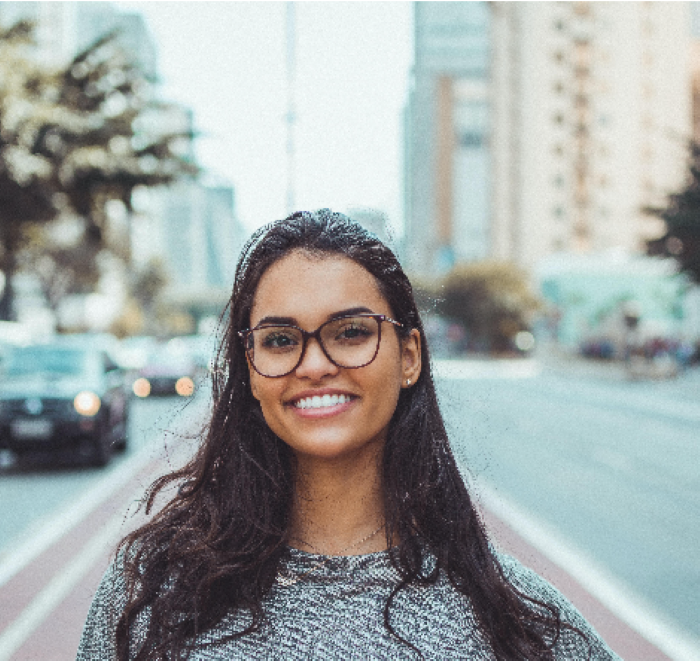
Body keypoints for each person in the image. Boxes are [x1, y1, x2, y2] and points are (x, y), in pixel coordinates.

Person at [78, 209, 619, 660]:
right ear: (249, 368)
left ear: (409, 356)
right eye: (281, 340)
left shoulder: (516, 619)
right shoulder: (151, 594)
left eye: (352, 332)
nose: (314, 364)